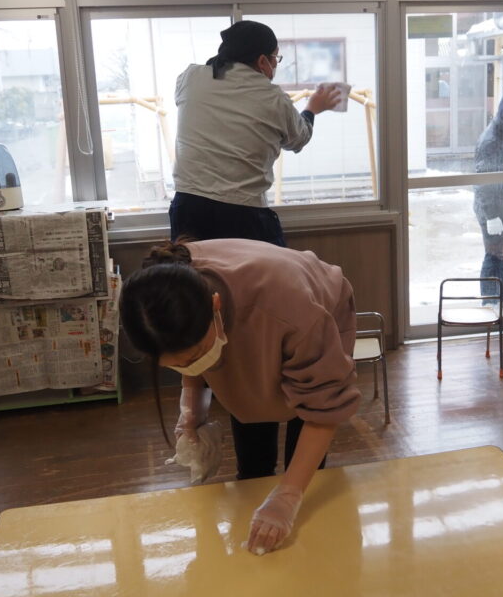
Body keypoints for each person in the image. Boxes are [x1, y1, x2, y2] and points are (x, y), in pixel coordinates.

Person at [120, 238, 360, 555]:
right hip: (252, 308)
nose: (190, 366)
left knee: (304, 427)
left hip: (310, 302)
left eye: (197, 355)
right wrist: (193, 414)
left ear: (215, 306)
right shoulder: (163, 298)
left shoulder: (293, 309)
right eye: (176, 364)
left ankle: (296, 494)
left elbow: (324, 406)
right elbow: (192, 356)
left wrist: (287, 497)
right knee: (249, 404)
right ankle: (254, 478)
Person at [170, 21, 343, 246]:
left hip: (187, 207)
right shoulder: (273, 98)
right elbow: (299, 139)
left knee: (193, 269)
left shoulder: (189, 77)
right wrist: (312, 108)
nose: (275, 65)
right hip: (242, 213)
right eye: (276, 58)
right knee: (267, 268)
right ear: (262, 61)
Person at [473, 88, 503, 300]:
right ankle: (490, 302)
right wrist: (492, 217)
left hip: (502, 206)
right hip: (493, 211)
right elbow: (484, 183)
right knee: (496, 255)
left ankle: (502, 300)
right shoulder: (492, 141)